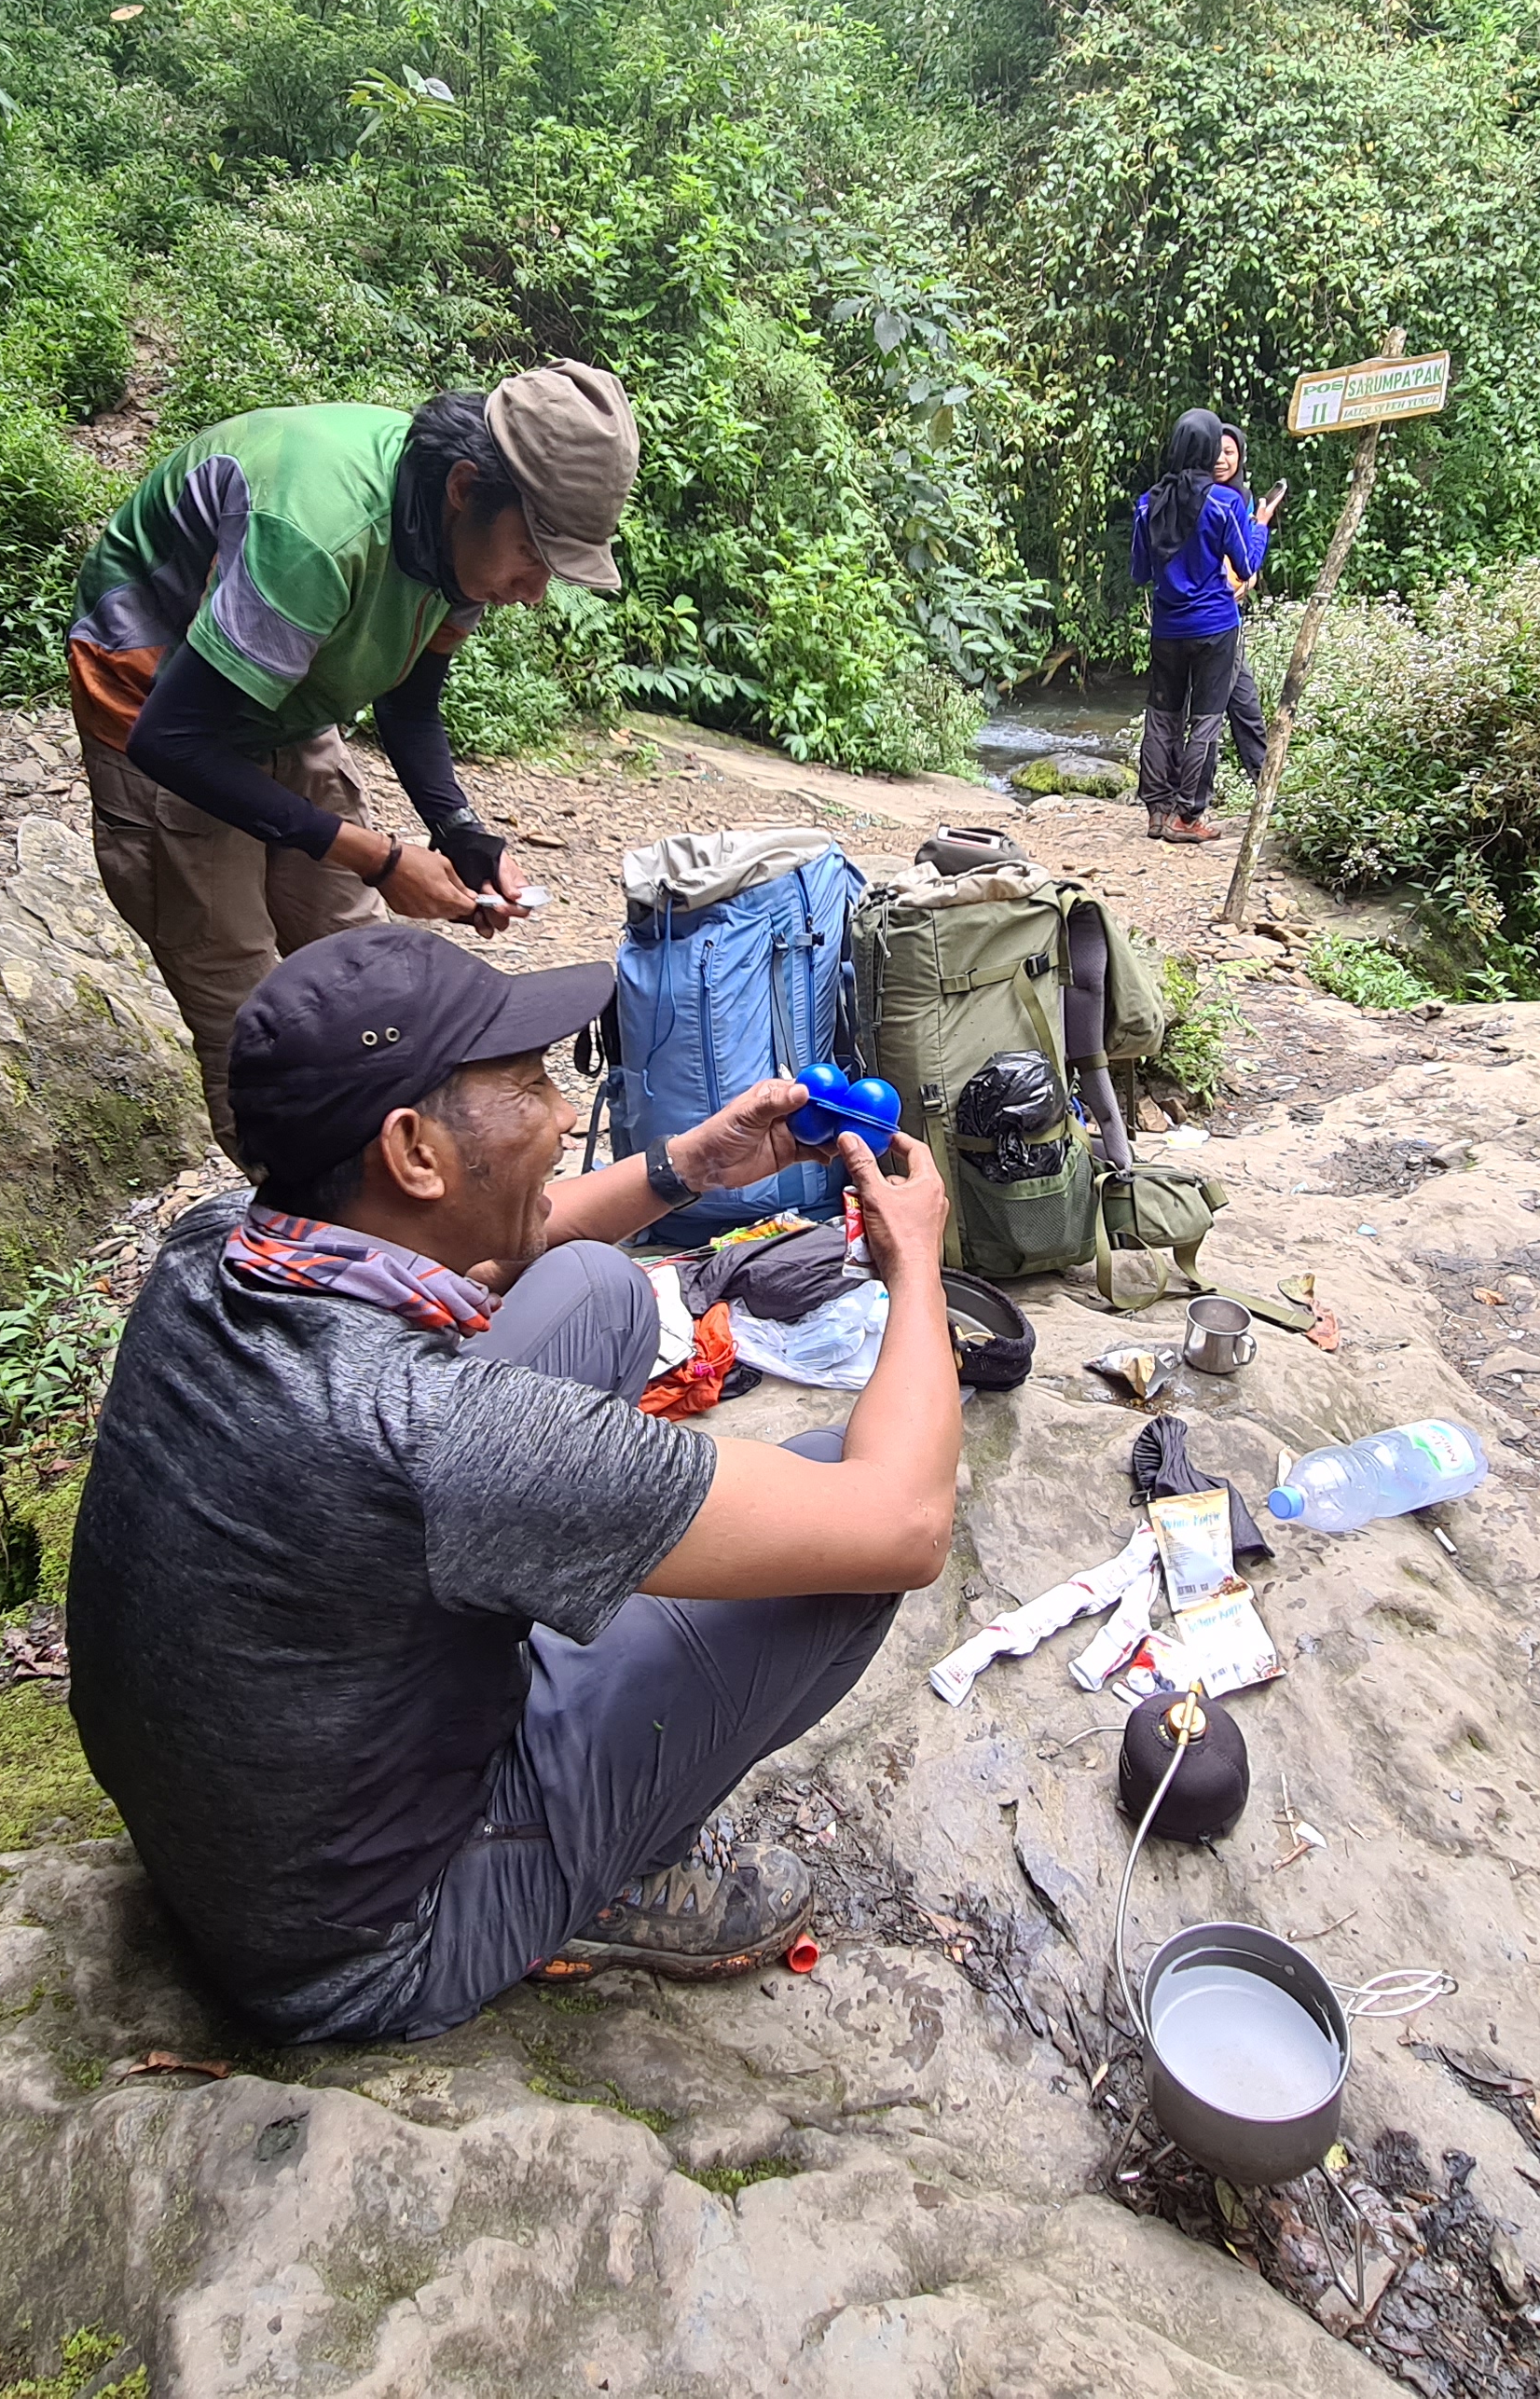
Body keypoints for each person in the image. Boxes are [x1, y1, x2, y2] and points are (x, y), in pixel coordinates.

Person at [65, 927, 961, 2045]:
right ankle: (603, 1883)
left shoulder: (216, 1245)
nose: (554, 1105)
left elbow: (508, 1246)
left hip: (250, 1824)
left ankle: (541, 1620)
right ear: (413, 1151)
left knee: (594, 1287)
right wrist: (914, 1262)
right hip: (371, 1940)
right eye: (530, 1082)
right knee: (838, 1514)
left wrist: (690, 1166)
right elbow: (905, 1522)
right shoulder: (437, 1430)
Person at [67, 365, 639, 1159]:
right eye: (533, 556)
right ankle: (299, 1240)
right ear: (467, 489)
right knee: (248, 1000)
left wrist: (458, 831)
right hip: (159, 700)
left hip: (286, 695)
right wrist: (377, 856)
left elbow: (408, 704)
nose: (535, 592)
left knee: (360, 968)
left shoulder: (460, 540)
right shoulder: (319, 529)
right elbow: (174, 741)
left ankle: (389, 1190)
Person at [1128, 407, 1269, 842]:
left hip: (1168, 627)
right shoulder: (1225, 504)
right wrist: (1259, 526)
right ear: (1208, 450)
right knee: (1205, 719)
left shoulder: (1148, 502)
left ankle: (1157, 811)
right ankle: (1188, 817)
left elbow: (1138, 572)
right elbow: (1245, 565)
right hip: (1215, 627)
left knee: (1162, 716)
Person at [1214, 422, 1289, 793]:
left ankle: (1265, 793)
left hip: (1229, 618)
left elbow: (1246, 559)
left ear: (1240, 456)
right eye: (1214, 450)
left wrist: (1247, 578)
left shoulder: (1240, 498)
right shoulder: (1199, 496)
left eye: (1229, 452)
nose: (1220, 459)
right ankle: (1188, 804)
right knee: (1218, 710)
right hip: (1206, 619)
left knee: (1243, 705)